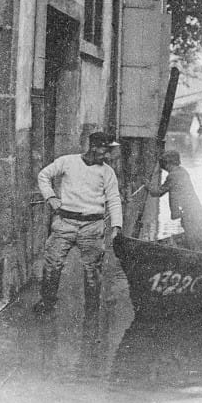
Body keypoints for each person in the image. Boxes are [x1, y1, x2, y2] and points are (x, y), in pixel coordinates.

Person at [33, 131, 123, 315]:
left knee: (92, 270)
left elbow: (114, 199)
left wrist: (116, 226)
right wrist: (50, 197)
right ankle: (47, 304)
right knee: (52, 264)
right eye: (105, 151)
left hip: (92, 226)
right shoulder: (67, 161)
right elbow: (43, 176)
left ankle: (92, 311)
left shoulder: (107, 172)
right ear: (94, 147)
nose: (107, 156)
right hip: (65, 222)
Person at [149, 150, 202, 250]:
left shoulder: (173, 175)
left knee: (193, 242)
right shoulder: (182, 171)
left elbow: (158, 192)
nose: (165, 168)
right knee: (194, 238)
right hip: (194, 211)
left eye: (165, 165)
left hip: (191, 213)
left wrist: (147, 185)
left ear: (170, 163)